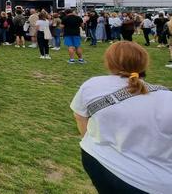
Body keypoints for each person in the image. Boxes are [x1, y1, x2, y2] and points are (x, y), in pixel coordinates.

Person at [70, 41, 172, 193]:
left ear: (109, 62)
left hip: (98, 161)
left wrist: (88, 141)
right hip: (155, 179)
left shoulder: (94, 85)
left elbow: (79, 116)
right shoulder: (166, 97)